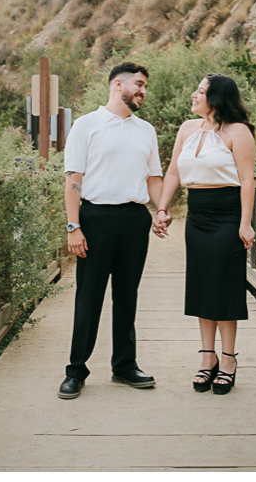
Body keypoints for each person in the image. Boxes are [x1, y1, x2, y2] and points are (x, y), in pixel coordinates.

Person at [59, 62, 162, 400]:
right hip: (95, 218)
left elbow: (153, 178)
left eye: (145, 86)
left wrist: (160, 209)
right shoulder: (87, 125)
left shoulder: (145, 130)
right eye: (139, 84)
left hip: (135, 219)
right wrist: (74, 226)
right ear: (118, 84)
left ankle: (124, 366)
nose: (143, 91)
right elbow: (74, 178)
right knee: (89, 296)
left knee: (127, 295)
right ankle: (76, 371)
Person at [153, 74, 255, 395]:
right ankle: (207, 357)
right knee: (202, 285)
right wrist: (162, 208)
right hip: (197, 214)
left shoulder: (239, 132)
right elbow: (173, 171)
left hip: (227, 214)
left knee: (223, 284)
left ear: (217, 99)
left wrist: (245, 223)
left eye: (201, 91)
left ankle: (228, 360)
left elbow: (248, 180)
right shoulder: (186, 128)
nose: (194, 94)